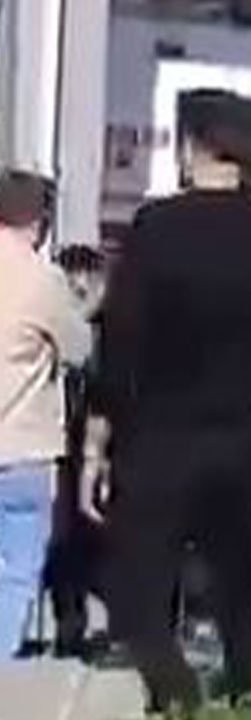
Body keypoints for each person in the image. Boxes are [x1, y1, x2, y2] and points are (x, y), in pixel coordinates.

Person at [99, 94, 251, 712]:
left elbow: (124, 335)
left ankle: (174, 691)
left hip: (163, 432)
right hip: (249, 435)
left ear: (197, 151)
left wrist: (107, 425)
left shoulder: (158, 227)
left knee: (140, 584)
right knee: (241, 584)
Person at [0, 170, 93, 657]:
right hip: (20, 445)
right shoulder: (42, 279)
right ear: (38, 222)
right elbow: (79, 348)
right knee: (17, 567)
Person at [44, 244, 109, 659]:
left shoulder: (111, 335)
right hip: (60, 446)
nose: (79, 297)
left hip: (99, 448)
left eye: (85, 288)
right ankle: (70, 625)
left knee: (95, 538)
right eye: (71, 288)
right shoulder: (49, 329)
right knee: (64, 541)